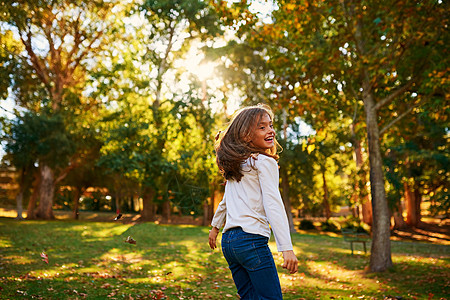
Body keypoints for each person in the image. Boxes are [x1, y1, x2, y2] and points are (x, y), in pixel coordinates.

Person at [208, 104, 298, 299]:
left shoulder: (238, 164)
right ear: (247, 135)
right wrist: (286, 248)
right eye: (262, 127)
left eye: (271, 125)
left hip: (230, 243)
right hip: (251, 241)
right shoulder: (265, 162)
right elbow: (273, 204)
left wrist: (215, 227)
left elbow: (225, 200)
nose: (270, 131)